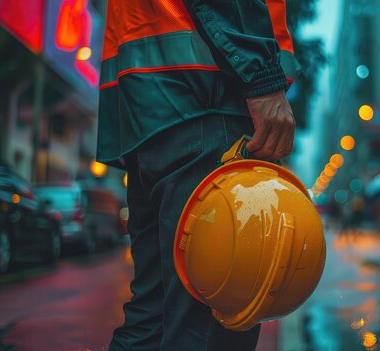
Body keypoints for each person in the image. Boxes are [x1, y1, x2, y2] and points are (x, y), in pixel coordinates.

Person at [96, 1, 300, 350]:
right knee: (212, 316)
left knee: (155, 317)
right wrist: (261, 76)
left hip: (152, 107)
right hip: (208, 94)